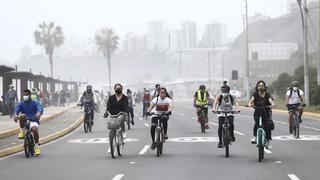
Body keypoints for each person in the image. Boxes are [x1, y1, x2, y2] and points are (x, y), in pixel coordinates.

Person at [14, 89, 43, 156]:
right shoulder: (21, 103)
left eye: (26, 95)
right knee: (22, 115)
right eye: (24, 95)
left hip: (33, 120)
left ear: (30, 95)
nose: (25, 96)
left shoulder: (35, 103)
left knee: (35, 130)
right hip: (25, 121)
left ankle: (36, 147)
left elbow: (39, 109)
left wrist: (38, 113)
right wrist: (15, 115)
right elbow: (16, 110)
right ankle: (22, 132)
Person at [247, 80, 275, 150]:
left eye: (262, 85)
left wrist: (272, 104)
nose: (261, 87)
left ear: (264, 87)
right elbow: (251, 100)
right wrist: (249, 104)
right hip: (257, 111)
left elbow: (270, 100)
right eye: (259, 85)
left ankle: (268, 142)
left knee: (267, 127)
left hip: (266, 112)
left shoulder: (267, 94)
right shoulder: (255, 94)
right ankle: (255, 137)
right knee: (257, 123)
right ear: (257, 86)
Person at [212, 81, 240, 148]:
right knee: (220, 126)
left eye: (225, 91)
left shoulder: (231, 97)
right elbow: (215, 103)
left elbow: (236, 103)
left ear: (228, 91)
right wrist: (214, 109)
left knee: (231, 123)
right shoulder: (219, 96)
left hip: (230, 112)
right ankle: (220, 142)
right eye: (223, 91)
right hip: (221, 113)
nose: (224, 93)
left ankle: (232, 135)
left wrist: (237, 109)